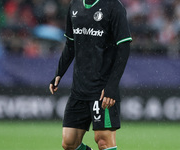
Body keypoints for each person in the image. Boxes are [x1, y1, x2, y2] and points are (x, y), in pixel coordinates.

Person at [49, 0, 132, 150]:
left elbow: (124, 47)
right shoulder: (74, 5)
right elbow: (70, 44)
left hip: (102, 89)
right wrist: (59, 73)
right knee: (69, 143)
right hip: (79, 89)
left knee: (103, 141)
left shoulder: (113, 6)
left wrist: (112, 87)